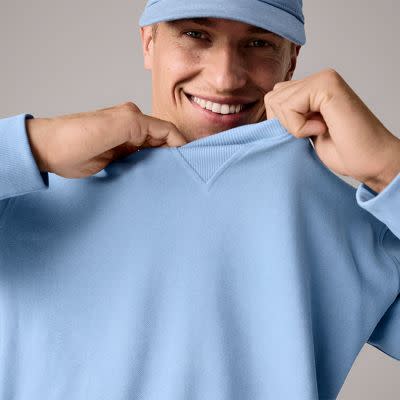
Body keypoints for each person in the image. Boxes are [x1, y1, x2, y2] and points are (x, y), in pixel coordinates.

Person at [0, 0, 399, 399]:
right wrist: (36, 145)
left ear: (291, 60)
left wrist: (387, 166)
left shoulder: (341, 216)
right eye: (195, 34)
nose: (225, 78)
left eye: (258, 42)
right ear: (148, 42)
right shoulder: (24, 191)